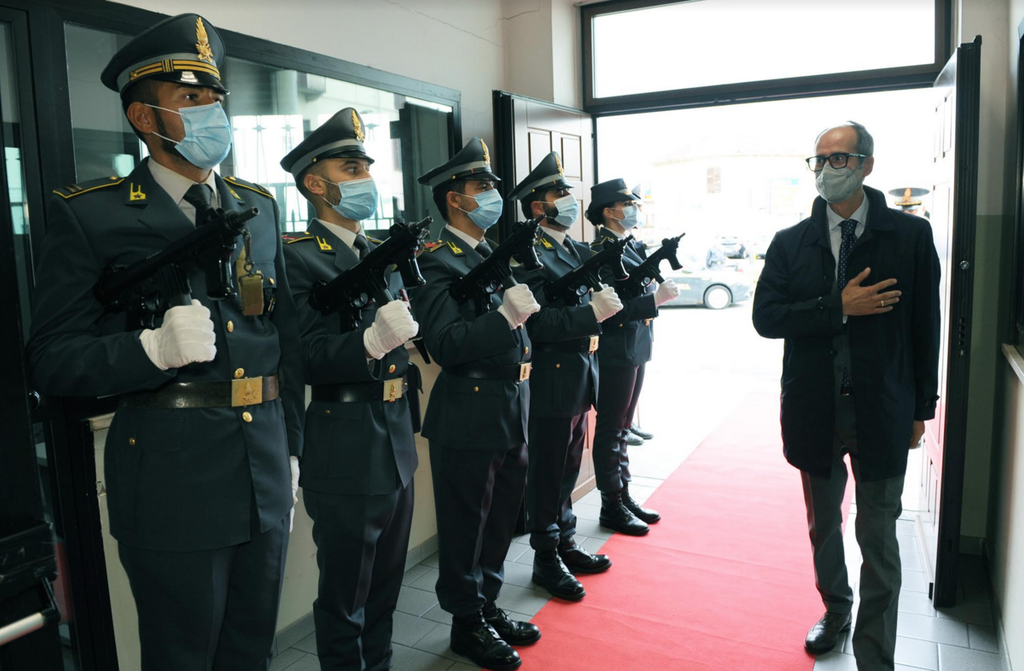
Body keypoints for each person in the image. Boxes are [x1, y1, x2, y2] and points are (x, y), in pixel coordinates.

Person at [27, 13, 303, 670]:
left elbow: (282, 339)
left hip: (264, 468)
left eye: (215, 97)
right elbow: (50, 358)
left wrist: (292, 448)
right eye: (190, 97)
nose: (213, 112)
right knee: (182, 655)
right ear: (144, 117)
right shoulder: (91, 214)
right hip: (171, 482)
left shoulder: (258, 207)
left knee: (250, 651)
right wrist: (146, 352)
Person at [752, 121, 940, 670]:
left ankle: (875, 657)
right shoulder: (791, 242)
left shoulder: (909, 236)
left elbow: (925, 326)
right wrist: (837, 306)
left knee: (878, 536)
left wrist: (922, 408)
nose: (826, 169)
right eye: (819, 160)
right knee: (823, 525)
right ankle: (836, 609)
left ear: (866, 165)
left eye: (839, 158)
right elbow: (766, 318)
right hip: (814, 409)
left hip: (882, 408)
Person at [279, 108, 420, 671]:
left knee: (386, 584)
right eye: (352, 168)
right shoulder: (296, 257)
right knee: (346, 594)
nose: (366, 178)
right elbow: (305, 355)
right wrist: (368, 342)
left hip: (395, 437)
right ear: (316, 184)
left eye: (366, 167)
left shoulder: (378, 252)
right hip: (345, 441)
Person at [411, 138, 541, 671]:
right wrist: (503, 319)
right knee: (466, 525)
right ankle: (466, 623)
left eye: (492, 185)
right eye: (481, 186)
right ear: (454, 199)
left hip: (511, 402)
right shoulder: (436, 261)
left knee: (500, 520)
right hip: (469, 408)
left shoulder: (490, 254)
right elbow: (445, 345)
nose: (493, 194)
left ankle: (487, 605)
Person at [507, 152, 623, 600]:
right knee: (548, 471)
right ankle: (545, 556)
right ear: (538, 206)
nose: (569, 200)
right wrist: (589, 314)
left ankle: (566, 541)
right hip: (552, 376)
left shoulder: (573, 248)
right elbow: (536, 322)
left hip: (580, 371)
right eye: (560, 193)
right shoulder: (528, 253)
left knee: (570, 466)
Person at [585, 179, 679, 535]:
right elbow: (612, 309)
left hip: (636, 344)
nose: (633, 209)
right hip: (615, 347)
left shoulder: (630, 245)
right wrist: (653, 301)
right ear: (609, 211)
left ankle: (623, 494)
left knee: (623, 427)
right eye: (627, 204)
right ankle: (611, 503)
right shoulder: (601, 250)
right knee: (611, 428)